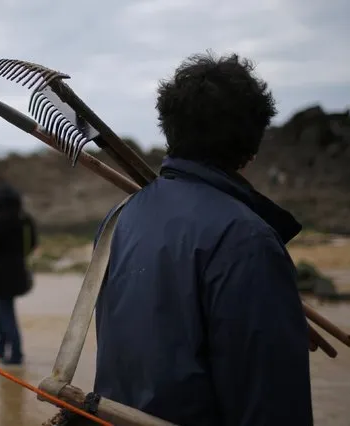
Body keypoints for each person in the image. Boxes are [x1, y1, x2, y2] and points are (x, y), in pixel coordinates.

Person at [92, 53, 313, 425]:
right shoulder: (247, 240)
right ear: (252, 146)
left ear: (169, 127)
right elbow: (272, 406)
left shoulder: (118, 220)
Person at [0, 184, 37, 365]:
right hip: (19, 271)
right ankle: (1, 347)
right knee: (2, 309)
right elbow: (32, 243)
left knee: (5, 312)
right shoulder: (26, 220)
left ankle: (15, 353)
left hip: (2, 274)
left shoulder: (2, 222)